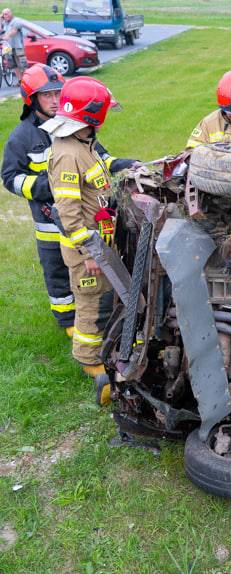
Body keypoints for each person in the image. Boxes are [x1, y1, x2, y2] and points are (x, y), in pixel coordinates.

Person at [2, 64, 136, 338]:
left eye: (57, 93)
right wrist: (49, 186)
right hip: (50, 223)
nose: (54, 100)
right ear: (31, 99)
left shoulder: (76, 126)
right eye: (46, 95)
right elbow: (10, 178)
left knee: (85, 276)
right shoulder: (22, 136)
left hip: (79, 222)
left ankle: (91, 317)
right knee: (58, 274)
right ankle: (67, 322)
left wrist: (127, 165)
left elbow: (101, 160)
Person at [41, 77, 123, 393]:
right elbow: (68, 213)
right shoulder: (67, 153)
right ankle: (89, 359)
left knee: (106, 298)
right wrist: (90, 253)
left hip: (99, 243)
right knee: (90, 302)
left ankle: (107, 343)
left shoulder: (82, 144)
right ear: (92, 116)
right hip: (85, 250)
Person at [1, 8, 28, 82]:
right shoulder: (5, 22)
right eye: (3, 14)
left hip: (17, 47)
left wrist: (6, 36)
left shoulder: (17, 21)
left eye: (6, 14)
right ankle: (20, 81)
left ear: (10, 14)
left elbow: (14, 31)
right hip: (7, 48)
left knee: (22, 65)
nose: (4, 16)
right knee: (13, 65)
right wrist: (0, 20)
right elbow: (0, 30)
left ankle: (26, 81)